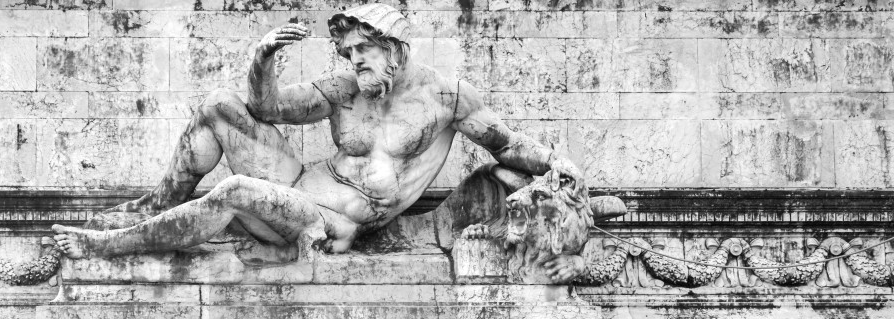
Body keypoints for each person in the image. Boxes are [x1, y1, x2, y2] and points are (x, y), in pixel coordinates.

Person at [52, 3, 583, 260]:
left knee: (235, 191)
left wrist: (560, 167)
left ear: (393, 48)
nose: (354, 62)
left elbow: (508, 145)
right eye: (347, 52)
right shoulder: (344, 86)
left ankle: (112, 247)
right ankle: (155, 207)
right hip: (301, 183)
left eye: (362, 51)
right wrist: (263, 59)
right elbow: (269, 107)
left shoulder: (446, 97)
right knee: (218, 106)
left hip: (334, 220)